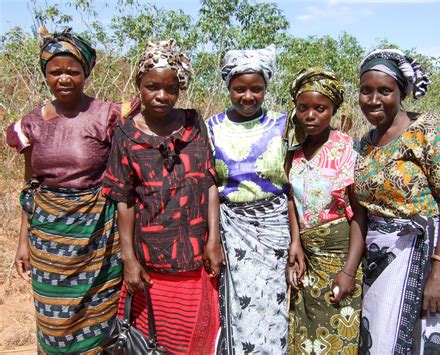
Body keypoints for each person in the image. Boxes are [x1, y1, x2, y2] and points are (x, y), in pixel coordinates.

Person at [6, 27, 123, 354]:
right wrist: (22, 243)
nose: (64, 78)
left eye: (72, 70)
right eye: (55, 71)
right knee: (53, 323)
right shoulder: (31, 124)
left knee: (99, 322)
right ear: (45, 74)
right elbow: (30, 187)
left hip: (97, 238)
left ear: (85, 71)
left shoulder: (108, 116)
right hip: (49, 241)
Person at [102, 39, 222, 354]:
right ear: (138, 85)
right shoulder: (126, 135)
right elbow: (123, 199)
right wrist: (128, 258)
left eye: (171, 88)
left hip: (195, 263)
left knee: (193, 340)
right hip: (148, 266)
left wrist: (213, 240)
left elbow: (209, 182)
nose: (161, 96)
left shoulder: (195, 125)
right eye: (152, 86)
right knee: (148, 342)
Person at [351, 48, 440, 353]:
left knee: (420, 338)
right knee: (377, 338)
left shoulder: (425, 130)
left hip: (421, 255)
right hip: (379, 261)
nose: (374, 99)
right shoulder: (366, 143)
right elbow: (362, 211)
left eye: (385, 91)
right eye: (366, 91)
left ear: (401, 92)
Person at [206, 45, 294, 353]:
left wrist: (296, 239)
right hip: (232, 232)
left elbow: (293, 185)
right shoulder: (211, 128)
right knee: (238, 309)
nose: (248, 96)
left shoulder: (284, 126)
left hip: (275, 232)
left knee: (275, 309)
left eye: (257, 89)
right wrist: (213, 239)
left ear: (266, 87)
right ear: (228, 86)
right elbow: (210, 187)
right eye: (239, 88)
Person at [283, 67, 363, 354]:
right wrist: (296, 243)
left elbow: (358, 214)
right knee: (304, 332)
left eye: (320, 108)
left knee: (338, 335)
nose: (311, 115)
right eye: (303, 108)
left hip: (338, 256)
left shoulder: (346, 149)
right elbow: (291, 197)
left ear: (334, 110)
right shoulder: (294, 150)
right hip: (307, 257)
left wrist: (349, 271)